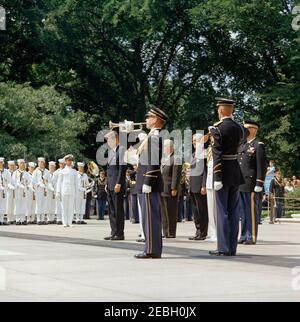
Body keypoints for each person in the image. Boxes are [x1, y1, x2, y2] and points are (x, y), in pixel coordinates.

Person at [209, 97, 244, 257]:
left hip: (222, 172)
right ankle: (232, 247)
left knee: (222, 211)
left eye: (218, 109)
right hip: (235, 171)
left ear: (221, 110)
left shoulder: (217, 129)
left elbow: (217, 155)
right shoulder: (239, 128)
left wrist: (216, 176)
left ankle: (223, 247)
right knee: (234, 211)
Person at [135, 105, 168, 259]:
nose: (146, 120)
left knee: (150, 218)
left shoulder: (155, 137)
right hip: (147, 181)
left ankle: (151, 250)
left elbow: (154, 162)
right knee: (148, 218)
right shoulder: (151, 137)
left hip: (150, 182)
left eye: (149, 117)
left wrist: (147, 181)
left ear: (155, 120)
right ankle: (151, 248)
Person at [238, 120, 267, 245]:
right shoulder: (242, 145)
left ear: (254, 129)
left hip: (251, 183)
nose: (245, 131)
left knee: (251, 212)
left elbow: (262, 166)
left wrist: (259, 183)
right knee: (243, 212)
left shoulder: (258, 145)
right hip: (241, 183)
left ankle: (252, 235)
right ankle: (244, 234)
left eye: (247, 129)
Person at [104, 130, 127, 241]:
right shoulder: (111, 151)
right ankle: (113, 232)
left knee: (118, 210)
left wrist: (118, 183)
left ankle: (119, 233)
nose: (108, 142)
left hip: (117, 185)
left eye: (110, 139)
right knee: (112, 210)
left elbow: (122, 169)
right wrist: (107, 183)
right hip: (111, 184)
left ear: (116, 139)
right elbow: (109, 170)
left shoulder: (121, 150)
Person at [161, 139, 182, 239]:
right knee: (164, 212)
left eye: (165, 146)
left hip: (170, 188)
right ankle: (165, 231)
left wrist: (174, 188)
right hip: (163, 188)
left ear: (170, 147)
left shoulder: (176, 158)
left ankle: (171, 232)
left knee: (171, 212)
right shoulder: (165, 158)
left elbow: (176, 175)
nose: (164, 148)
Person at [189, 134, 208, 241]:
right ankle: (197, 231)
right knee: (195, 211)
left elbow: (205, 171)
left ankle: (203, 232)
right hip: (192, 186)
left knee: (202, 210)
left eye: (196, 140)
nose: (194, 142)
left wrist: (204, 186)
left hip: (200, 185)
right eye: (193, 140)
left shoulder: (204, 154)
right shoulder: (193, 154)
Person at [56, 154, 78, 228]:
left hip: (72, 191)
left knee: (71, 207)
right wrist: (58, 191)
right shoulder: (62, 171)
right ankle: (65, 222)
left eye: (70, 161)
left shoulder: (74, 171)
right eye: (68, 160)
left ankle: (70, 222)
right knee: (64, 207)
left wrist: (76, 192)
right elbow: (59, 182)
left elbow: (76, 183)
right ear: (65, 161)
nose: (69, 162)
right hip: (64, 190)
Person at [206, 141, 217, 242]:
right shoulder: (209, 150)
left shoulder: (219, 149)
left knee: (216, 210)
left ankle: (218, 233)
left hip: (215, 184)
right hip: (209, 183)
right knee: (210, 210)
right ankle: (212, 233)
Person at [13, 159, 31, 225]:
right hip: (18, 190)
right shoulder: (15, 173)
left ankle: (23, 219)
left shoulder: (26, 173)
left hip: (24, 191)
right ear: (18, 164)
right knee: (18, 204)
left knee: (24, 204)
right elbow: (13, 182)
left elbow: (30, 182)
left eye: (23, 163)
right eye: (21, 163)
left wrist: (27, 185)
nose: (23, 164)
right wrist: (18, 184)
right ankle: (17, 219)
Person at [33, 157, 50, 225]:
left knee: (44, 204)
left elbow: (49, 180)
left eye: (43, 162)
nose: (41, 163)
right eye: (40, 162)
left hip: (45, 189)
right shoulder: (36, 171)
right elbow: (33, 181)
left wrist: (46, 182)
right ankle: (38, 219)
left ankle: (43, 218)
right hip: (39, 189)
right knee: (38, 204)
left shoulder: (46, 171)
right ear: (38, 163)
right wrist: (39, 184)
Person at [53, 159, 65, 225]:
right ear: (59, 164)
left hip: (65, 190)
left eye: (63, 163)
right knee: (58, 205)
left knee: (64, 205)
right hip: (58, 190)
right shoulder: (56, 172)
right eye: (61, 163)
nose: (62, 165)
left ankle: (63, 218)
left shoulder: (66, 171)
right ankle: (58, 219)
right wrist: (56, 190)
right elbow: (54, 181)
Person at [0, 158, 11, 225]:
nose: (0, 164)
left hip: (4, 191)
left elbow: (9, 180)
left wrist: (7, 185)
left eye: (1, 162)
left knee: (3, 205)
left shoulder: (6, 171)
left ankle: (1, 220)